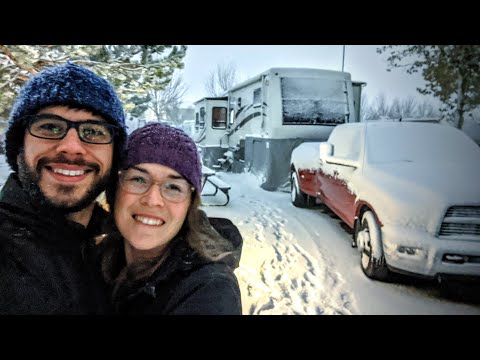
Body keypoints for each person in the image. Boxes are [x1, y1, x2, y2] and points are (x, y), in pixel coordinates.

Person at [0, 62, 127, 314]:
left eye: (92, 131)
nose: (71, 146)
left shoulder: (123, 248)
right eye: (49, 126)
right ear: (18, 148)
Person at [96, 123, 243, 314]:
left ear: (190, 205)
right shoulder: (90, 259)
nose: (152, 200)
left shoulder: (209, 289)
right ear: (114, 191)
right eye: (138, 179)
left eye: (173, 187)